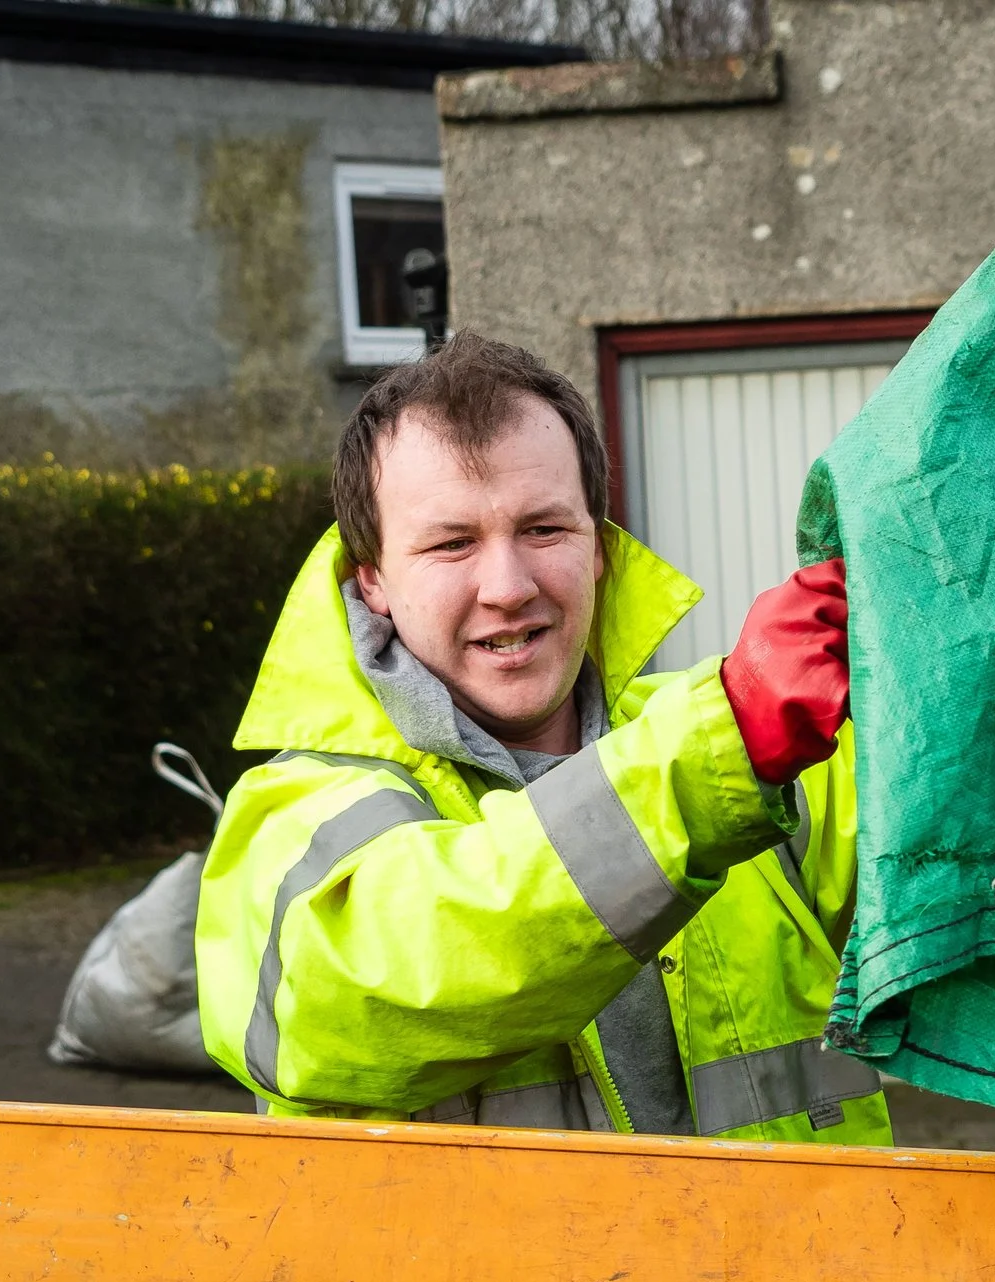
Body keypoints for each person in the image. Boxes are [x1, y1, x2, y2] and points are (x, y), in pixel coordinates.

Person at [193, 334, 889, 1142]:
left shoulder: (739, 751)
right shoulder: (294, 813)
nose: (508, 587)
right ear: (371, 578)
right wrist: (724, 750)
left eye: (545, 529)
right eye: (452, 542)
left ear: (599, 549)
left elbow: (966, 832)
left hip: (799, 1269)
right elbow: (393, 970)